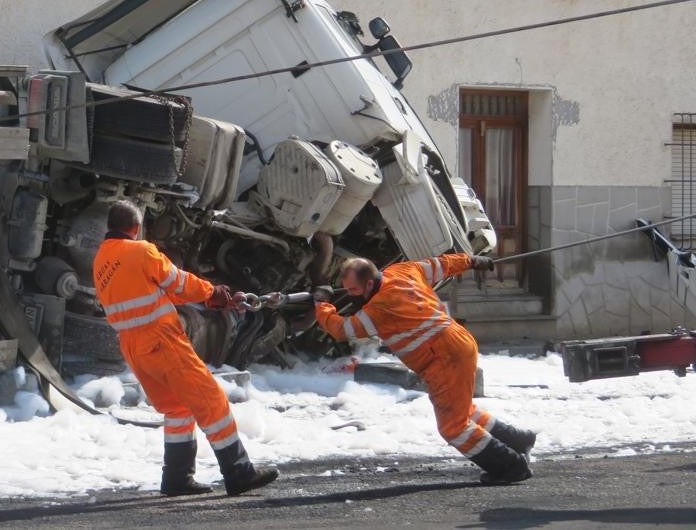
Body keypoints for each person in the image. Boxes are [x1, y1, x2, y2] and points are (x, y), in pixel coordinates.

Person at [93, 200, 278, 497]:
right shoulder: (141, 250)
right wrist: (213, 293)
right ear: (137, 228)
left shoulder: (101, 260)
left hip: (133, 348)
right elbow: (176, 283)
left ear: (109, 227)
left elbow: (147, 293)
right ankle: (238, 472)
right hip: (162, 340)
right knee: (211, 398)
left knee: (177, 408)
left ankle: (176, 478)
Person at [311, 254, 537, 485]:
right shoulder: (403, 271)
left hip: (443, 356)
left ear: (369, 284)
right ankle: (517, 440)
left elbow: (342, 329)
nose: (350, 295)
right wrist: (471, 260)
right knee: (461, 410)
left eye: (354, 290)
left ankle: (510, 467)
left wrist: (322, 304)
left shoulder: (381, 306)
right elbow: (442, 265)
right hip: (458, 342)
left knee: (453, 427)